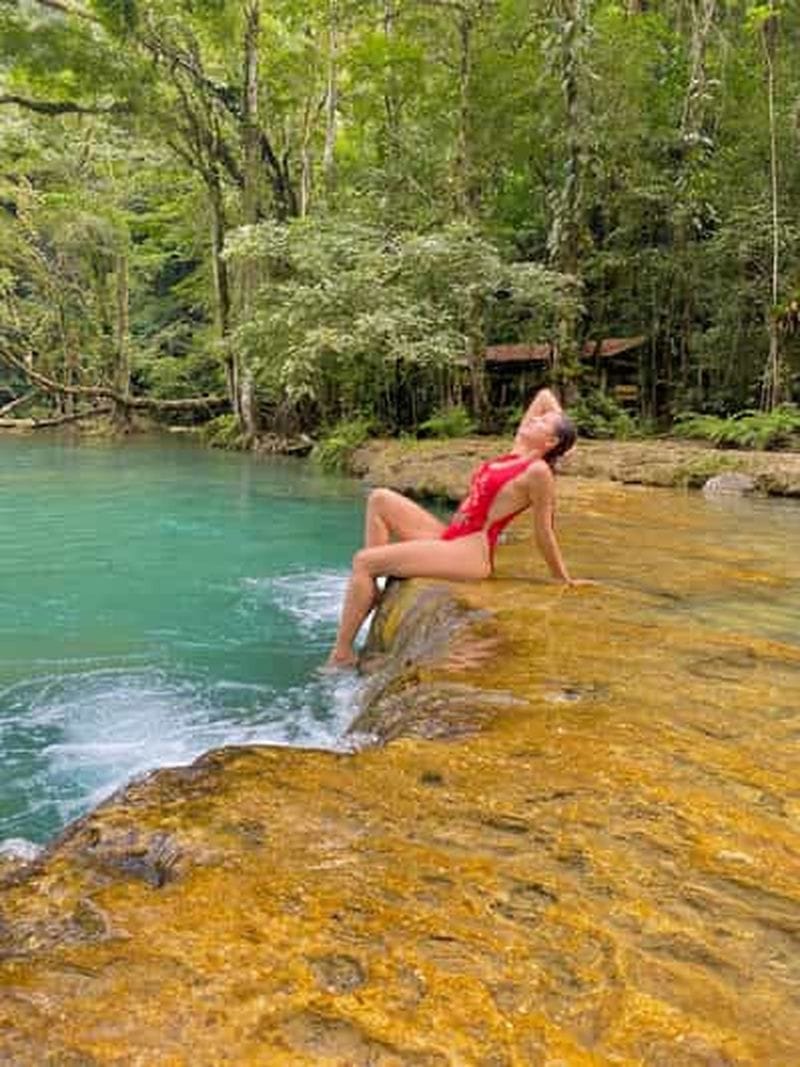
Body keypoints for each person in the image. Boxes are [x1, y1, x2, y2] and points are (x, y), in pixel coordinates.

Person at [326, 388, 578, 668]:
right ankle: (374, 587)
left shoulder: (538, 473)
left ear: (550, 441)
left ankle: (342, 652)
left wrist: (562, 579)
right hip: (451, 535)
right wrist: (565, 432)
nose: (534, 420)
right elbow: (544, 396)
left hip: (470, 552)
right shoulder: (517, 450)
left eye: (543, 423)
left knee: (363, 562)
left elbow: (544, 531)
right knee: (380, 499)